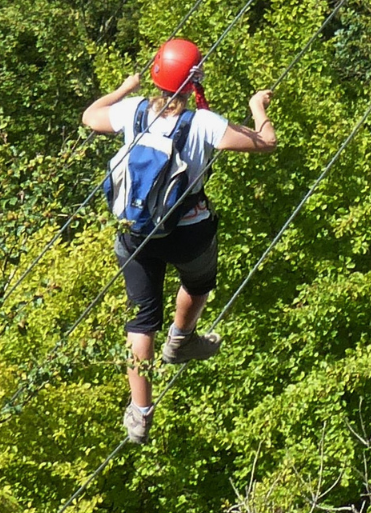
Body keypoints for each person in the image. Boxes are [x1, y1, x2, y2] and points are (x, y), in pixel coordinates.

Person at [81, 38, 276, 443]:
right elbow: (264, 143)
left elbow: (90, 116)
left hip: (137, 234)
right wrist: (259, 110)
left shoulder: (133, 112)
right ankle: (182, 339)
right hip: (188, 230)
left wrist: (125, 88)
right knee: (198, 281)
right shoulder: (203, 123)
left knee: (140, 322)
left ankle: (140, 412)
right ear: (191, 81)